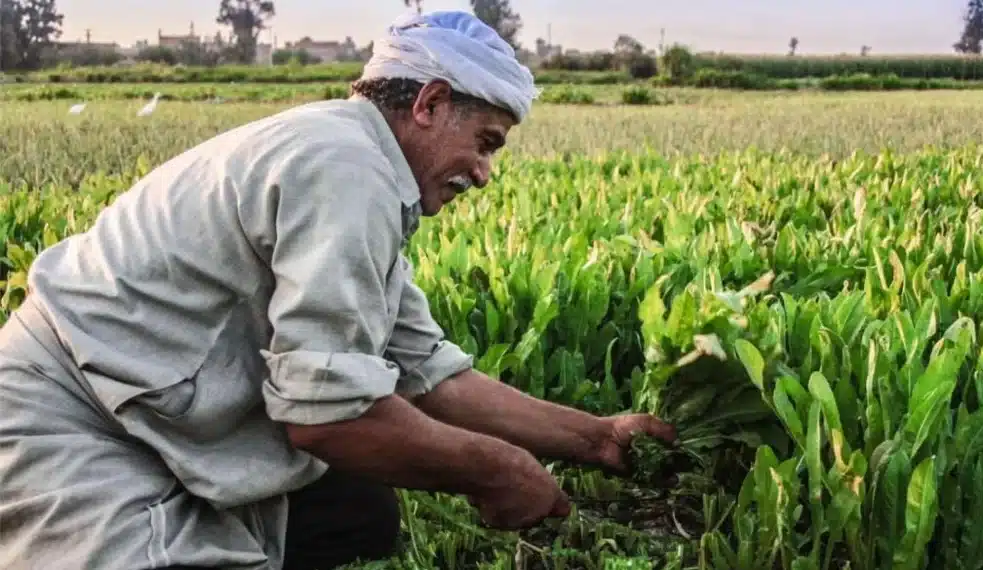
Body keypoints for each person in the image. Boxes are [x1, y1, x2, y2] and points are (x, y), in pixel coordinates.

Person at [0, 10, 676, 570]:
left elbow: (429, 373)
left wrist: (598, 439)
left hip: (149, 407)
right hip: (70, 418)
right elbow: (327, 418)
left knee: (358, 512)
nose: (485, 171)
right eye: (486, 142)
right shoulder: (346, 169)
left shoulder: (358, 160)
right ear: (430, 103)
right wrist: (496, 470)